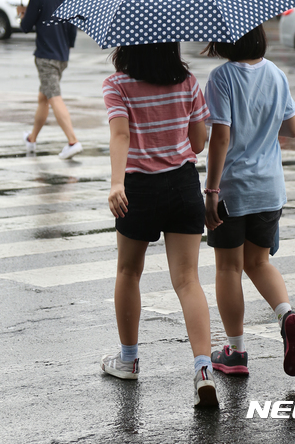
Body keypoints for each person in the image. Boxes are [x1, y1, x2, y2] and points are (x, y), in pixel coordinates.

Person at [101, 43, 219, 408]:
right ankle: (203, 370)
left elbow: (121, 135)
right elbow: (199, 143)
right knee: (188, 281)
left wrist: (116, 183)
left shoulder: (117, 84)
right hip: (183, 186)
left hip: (138, 188)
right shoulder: (186, 81)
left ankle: (128, 359)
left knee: (128, 271)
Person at [203, 25, 295, 378]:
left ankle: (235, 352)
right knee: (258, 262)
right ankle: (287, 315)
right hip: (270, 188)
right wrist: (263, 122)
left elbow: (220, 138)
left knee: (229, 268)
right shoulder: (276, 74)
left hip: (233, 189)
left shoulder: (222, 78)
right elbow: (292, 128)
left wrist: (211, 191)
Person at [17, 0, 82, 160]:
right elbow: (72, 29)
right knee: (43, 97)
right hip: (62, 56)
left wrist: (22, 14)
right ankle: (32, 139)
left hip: (45, 57)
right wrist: (67, 46)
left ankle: (73, 141)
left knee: (53, 97)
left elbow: (26, 27)